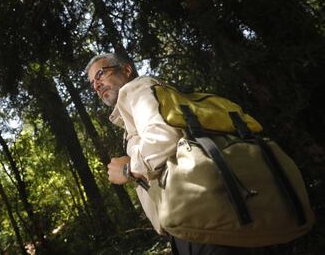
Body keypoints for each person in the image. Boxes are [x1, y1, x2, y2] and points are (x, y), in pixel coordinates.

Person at [85, 53, 271, 255]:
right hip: (198, 220)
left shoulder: (137, 89)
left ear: (127, 70)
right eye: (92, 83)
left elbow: (163, 137)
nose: (96, 85)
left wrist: (128, 169)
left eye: (101, 74)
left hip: (200, 219)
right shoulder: (134, 106)